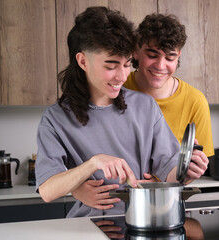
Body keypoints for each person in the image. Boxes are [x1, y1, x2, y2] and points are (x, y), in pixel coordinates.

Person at [35, 6, 208, 218]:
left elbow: (170, 173)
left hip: (144, 222)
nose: (122, 76)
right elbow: (47, 190)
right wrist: (93, 163)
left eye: (127, 65)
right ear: (82, 61)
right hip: (87, 226)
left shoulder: (145, 106)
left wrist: (187, 172)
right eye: (111, 66)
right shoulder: (55, 118)